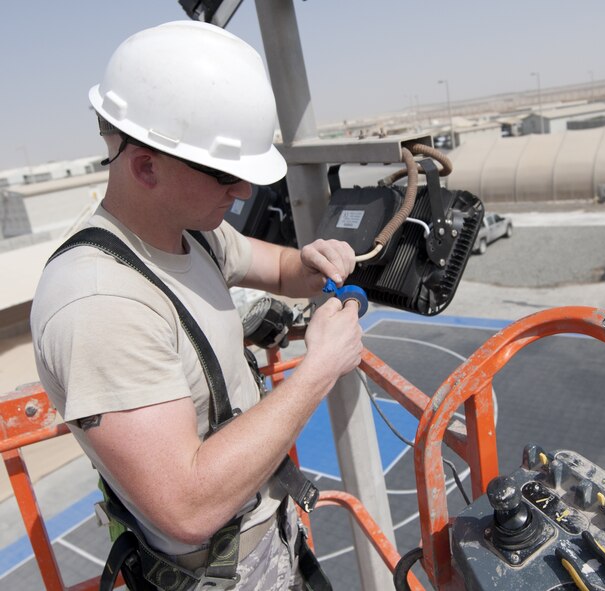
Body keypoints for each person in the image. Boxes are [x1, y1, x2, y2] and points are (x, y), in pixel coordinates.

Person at [30, 21, 362, 589]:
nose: (245, 193)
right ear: (146, 166)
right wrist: (319, 370)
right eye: (227, 175)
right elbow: (185, 510)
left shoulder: (191, 231)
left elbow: (282, 267)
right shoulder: (100, 304)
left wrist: (313, 265)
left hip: (267, 535)